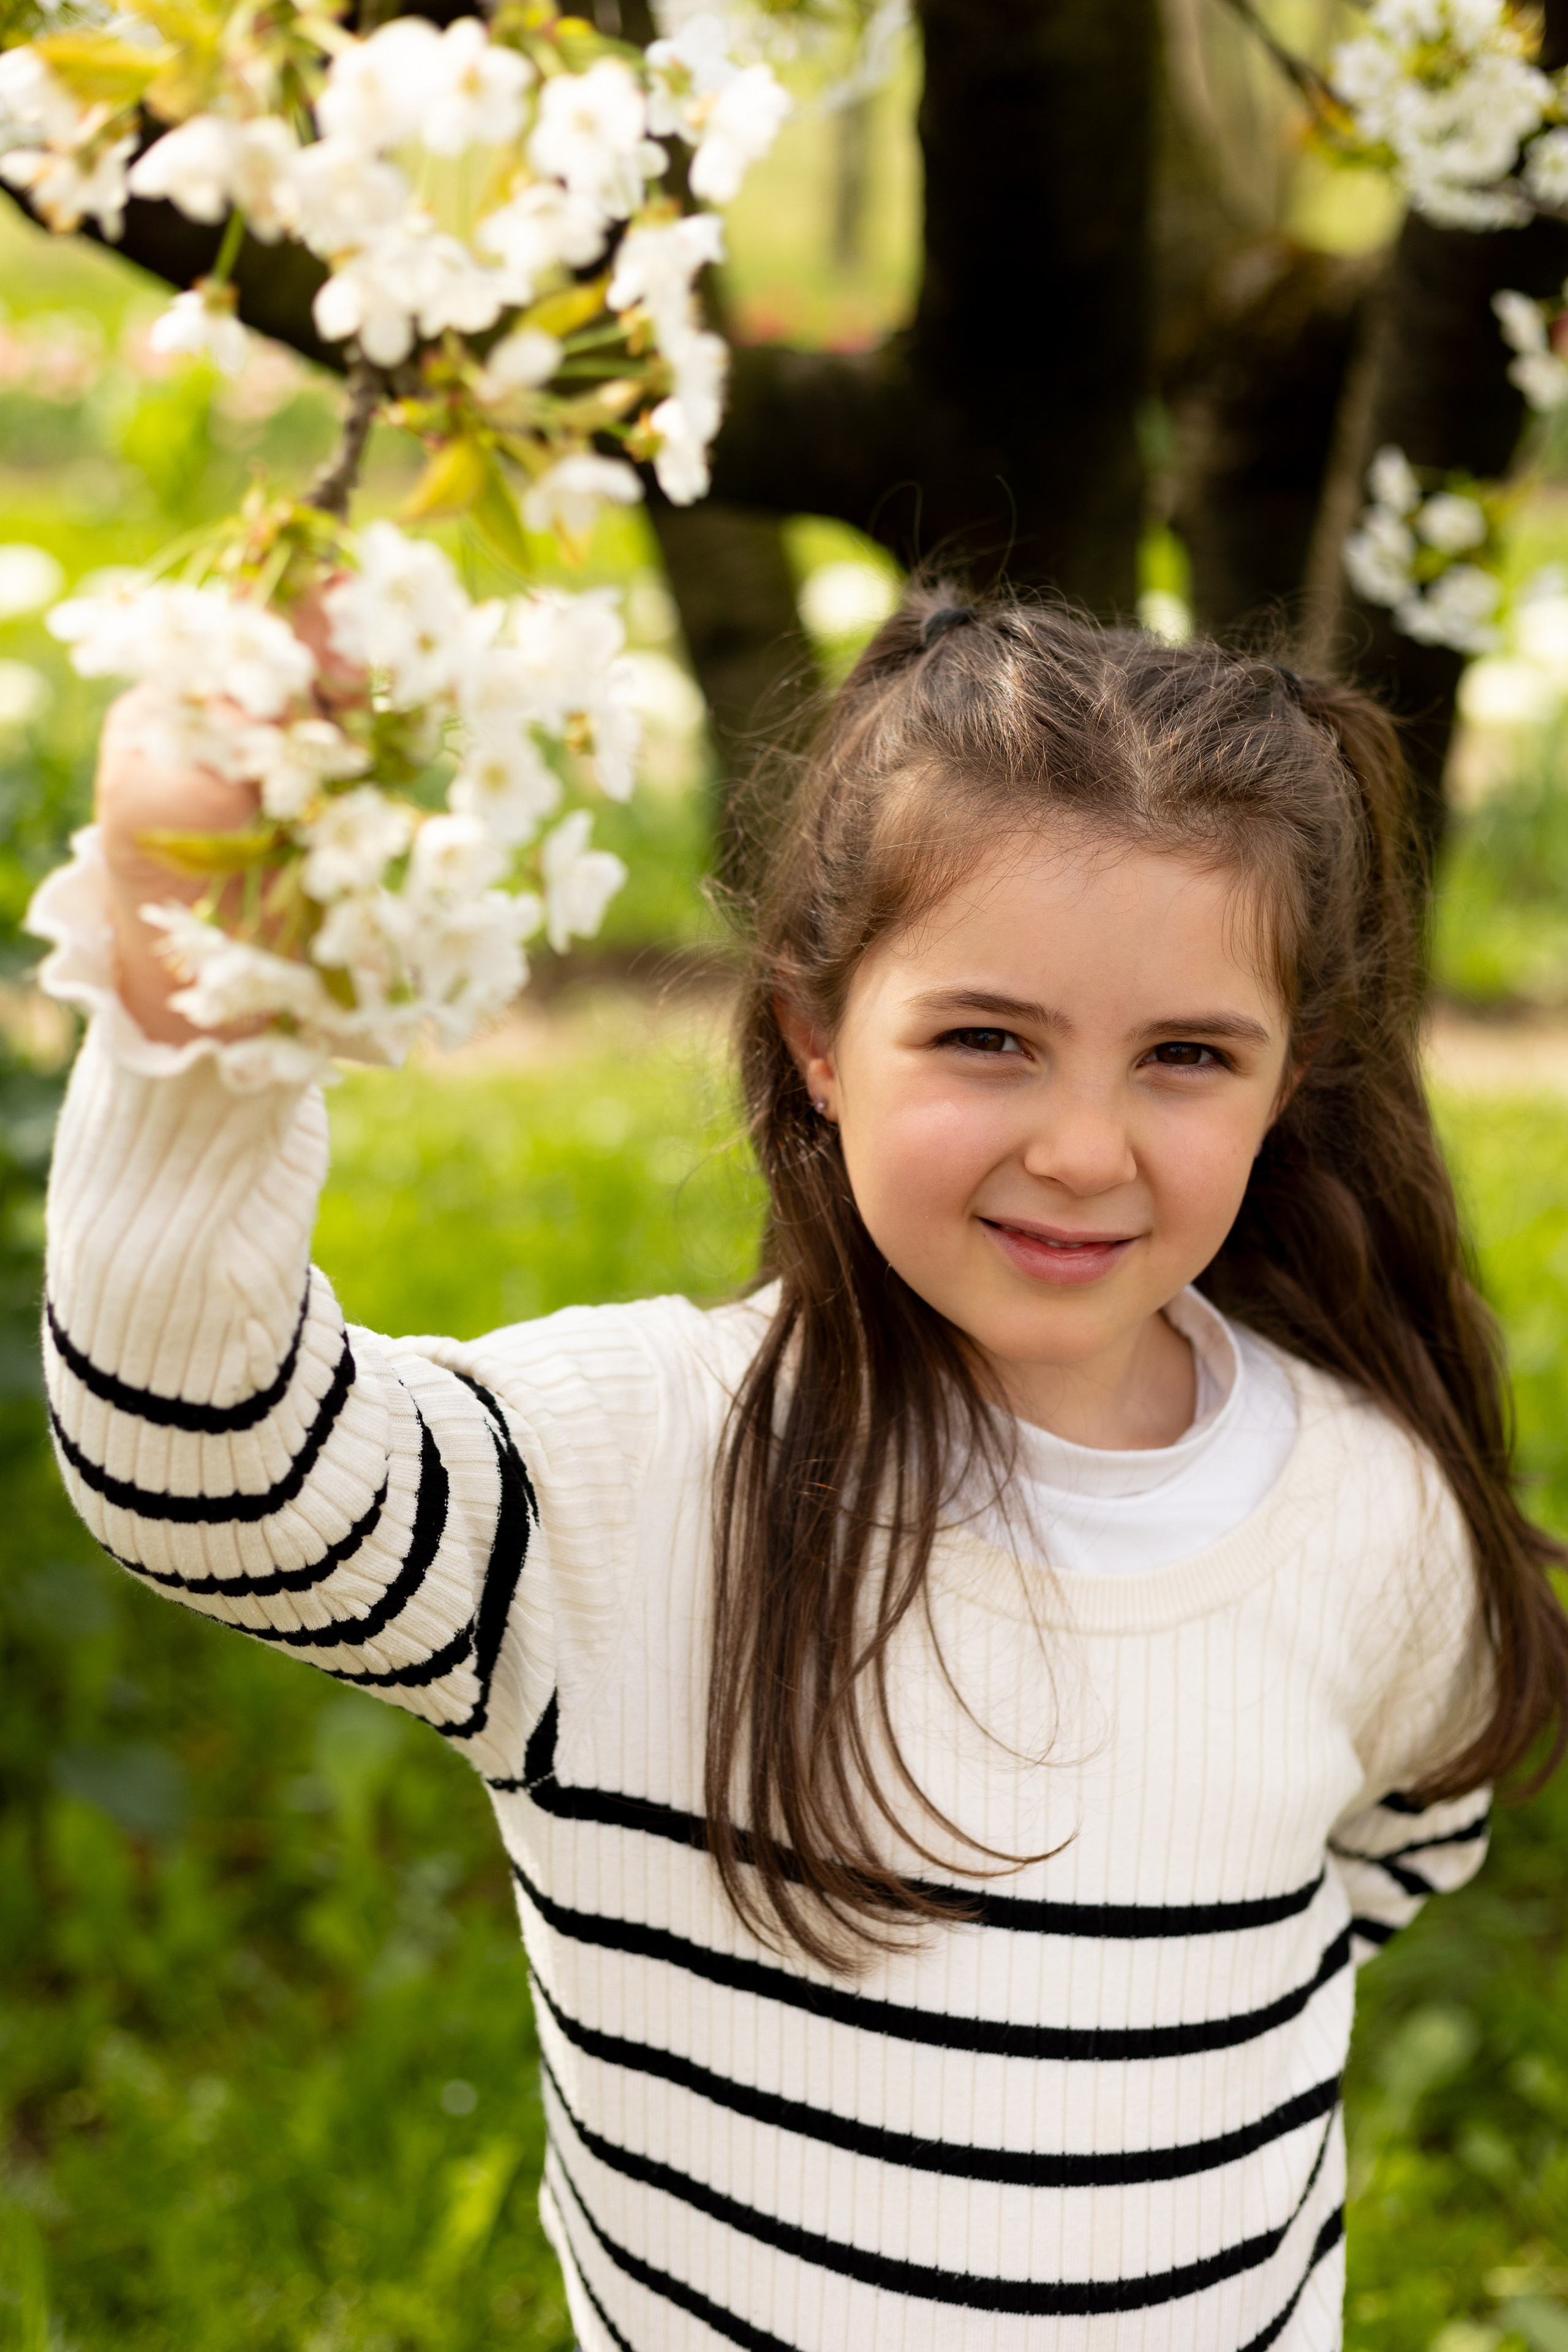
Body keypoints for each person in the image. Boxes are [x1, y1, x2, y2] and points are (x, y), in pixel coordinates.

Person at [31, 588, 1568, 2352]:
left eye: (1187, 1057)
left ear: (1288, 1079)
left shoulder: (1368, 1510)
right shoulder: (630, 1476)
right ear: (819, 1040)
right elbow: (200, 1460)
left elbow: (1396, 1827)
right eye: (987, 1039)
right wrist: (203, 1017)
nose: (1085, 1148)